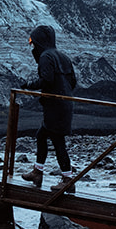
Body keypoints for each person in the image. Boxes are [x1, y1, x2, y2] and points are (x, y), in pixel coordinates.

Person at [23, 24, 77, 191]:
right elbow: (73, 82)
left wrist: (29, 85)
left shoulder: (46, 56)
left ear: (39, 42)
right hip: (65, 104)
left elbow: (47, 79)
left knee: (57, 141)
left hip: (54, 105)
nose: (32, 46)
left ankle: (67, 179)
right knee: (43, 135)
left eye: (32, 42)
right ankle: (38, 172)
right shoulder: (63, 57)